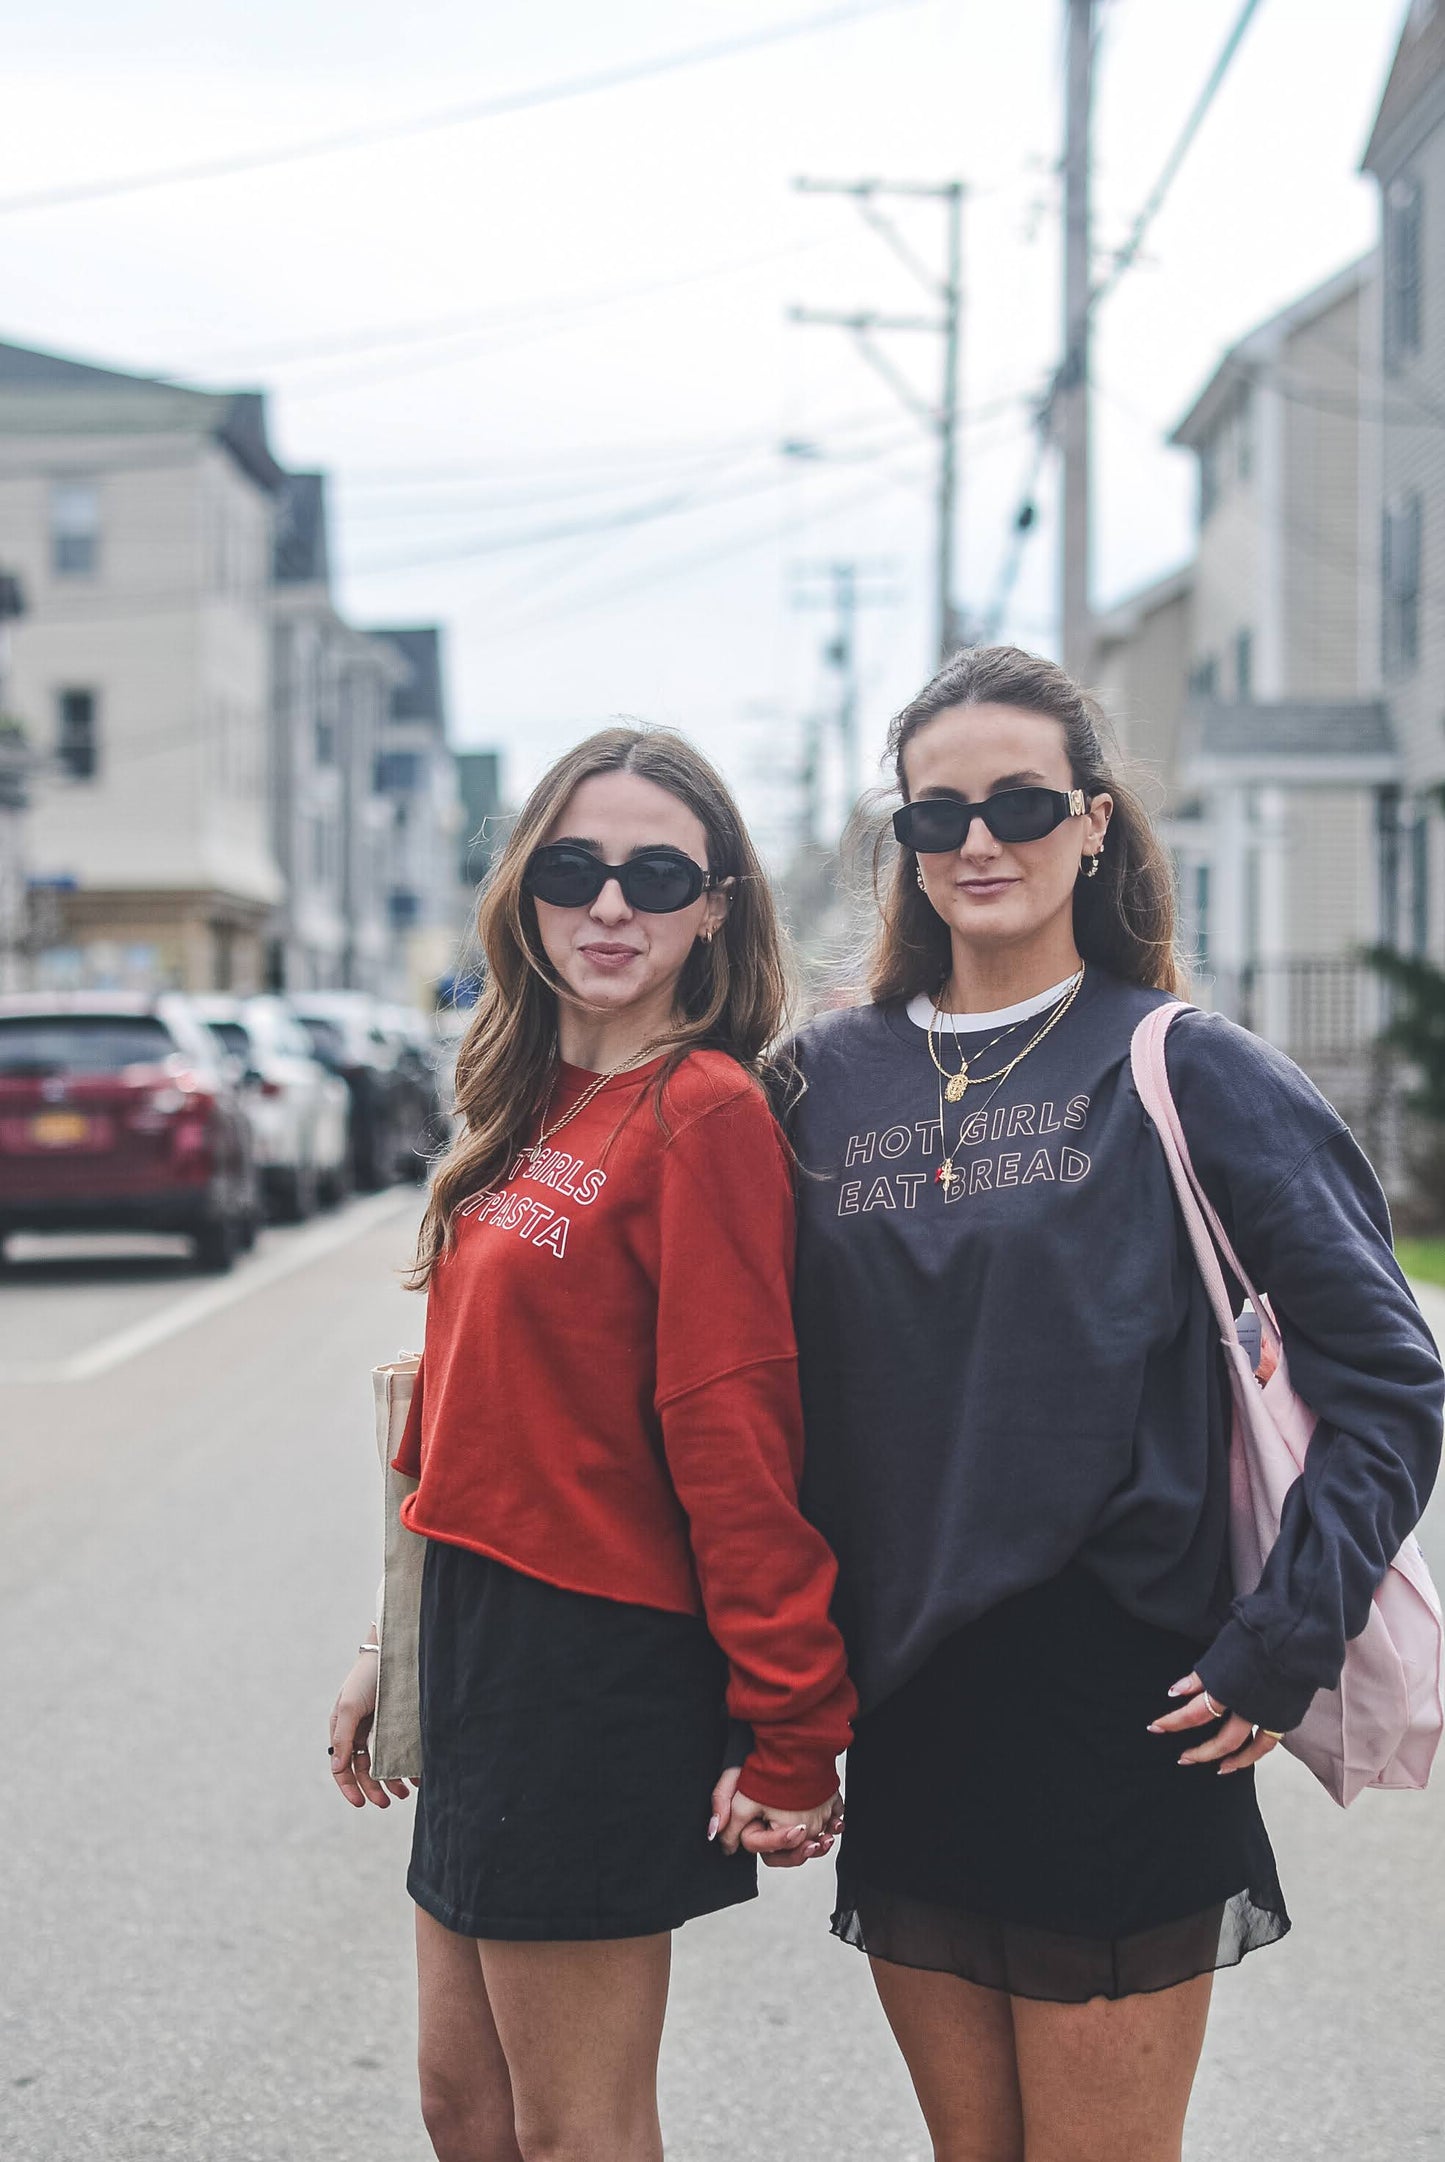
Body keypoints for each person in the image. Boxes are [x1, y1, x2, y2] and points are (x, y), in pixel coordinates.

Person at [783, 645, 1443, 2162]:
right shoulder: (824, 1081)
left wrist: (1282, 1639)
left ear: (1093, 822)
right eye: (933, 814)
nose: (976, 842)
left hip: (1120, 1695)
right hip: (907, 1699)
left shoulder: (1183, 1069)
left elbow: (1392, 1383)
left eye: (1018, 801)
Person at [327, 725, 855, 2162]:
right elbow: (464, 1403)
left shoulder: (705, 1115)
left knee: (575, 2131)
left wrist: (794, 1724)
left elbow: (733, 1431)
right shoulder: (527, 1107)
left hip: (597, 1661)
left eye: (654, 873)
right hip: (483, 1633)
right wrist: (395, 1638)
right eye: (574, 866)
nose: (609, 905)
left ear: (714, 905)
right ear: (527, 890)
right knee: (464, 2107)